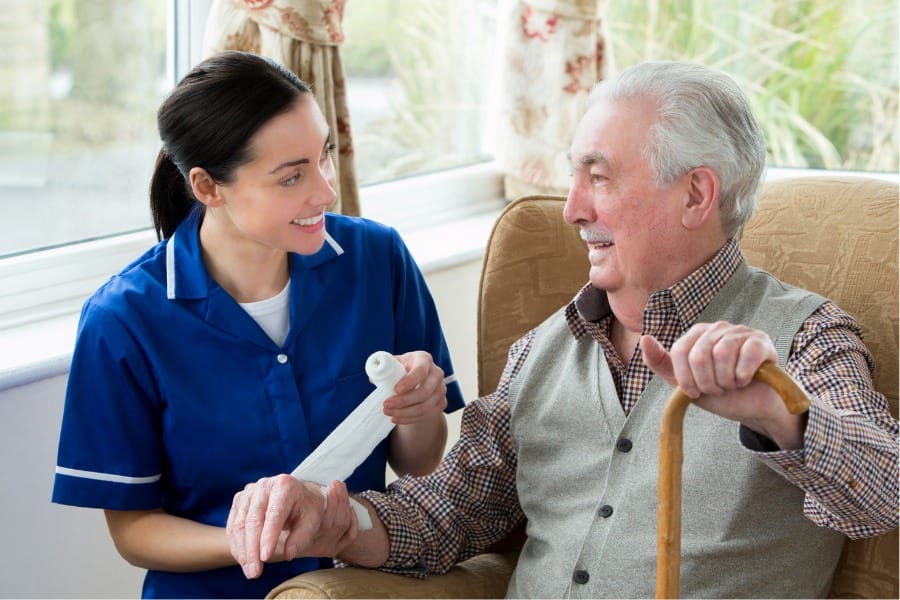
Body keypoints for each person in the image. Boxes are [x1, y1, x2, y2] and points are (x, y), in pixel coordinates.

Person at [225, 61, 899, 598]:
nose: (572, 209)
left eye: (597, 178)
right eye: (572, 177)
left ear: (696, 195)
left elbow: (884, 492)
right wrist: (336, 519)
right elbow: (449, 513)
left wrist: (783, 416)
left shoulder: (806, 337)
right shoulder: (541, 351)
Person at [51, 51, 466, 599]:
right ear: (207, 187)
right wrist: (263, 538)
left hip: (358, 589)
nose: (325, 191)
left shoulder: (378, 259)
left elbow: (418, 461)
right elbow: (134, 532)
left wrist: (418, 409)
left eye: (323, 158)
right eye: (292, 176)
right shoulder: (122, 322)